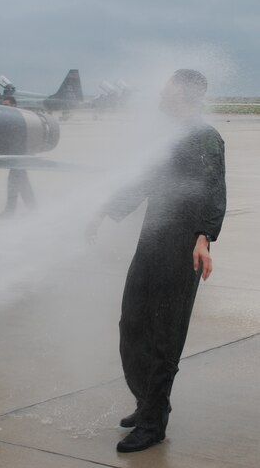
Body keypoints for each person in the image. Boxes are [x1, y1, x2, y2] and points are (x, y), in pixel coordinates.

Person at [87, 69, 226, 453]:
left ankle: (153, 424)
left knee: (164, 337)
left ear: (183, 95)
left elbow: (213, 188)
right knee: (132, 325)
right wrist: (104, 210)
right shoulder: (171, 137)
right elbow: (146, 181)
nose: (160, 96)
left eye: (166, 90)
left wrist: (204, 237)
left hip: (181, 249)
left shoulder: (205, 137)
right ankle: (148, 402)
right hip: (151, 243)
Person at [0, 95, 36, 217]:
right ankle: (34, 209)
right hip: (16, 157)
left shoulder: (19, 119)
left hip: (19, 157)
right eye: (3, 105)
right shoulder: (8, 119)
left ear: (14, 105)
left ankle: (10, 211)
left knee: (13, 184)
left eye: (7, 105)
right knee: (23, 184)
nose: (4, 108)